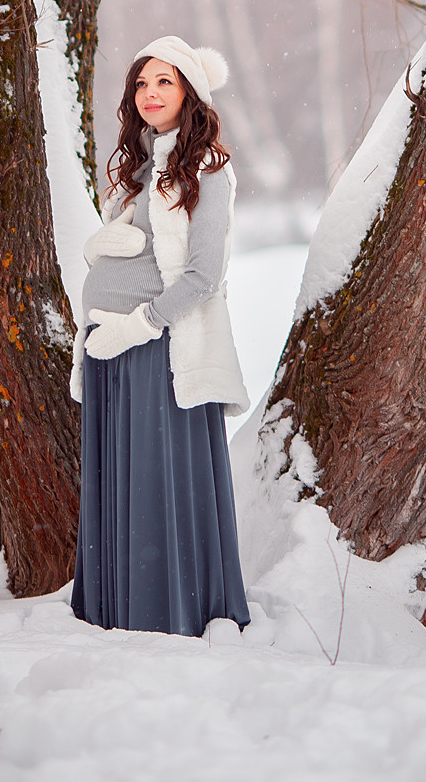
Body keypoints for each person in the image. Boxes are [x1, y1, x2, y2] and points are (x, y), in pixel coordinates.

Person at [70, 35, 251, 636]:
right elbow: (134, 247)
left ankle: (161, 613)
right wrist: (100, 251)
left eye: (164, 82)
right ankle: (113, 610)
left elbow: (203, 276)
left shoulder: (207, 168)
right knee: (117, 484)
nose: (150, 93)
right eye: (142, 84)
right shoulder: (140, 166)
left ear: (190, 92)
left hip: (158, 352)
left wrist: (136, 327)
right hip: (111, 349)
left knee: (153, 486)